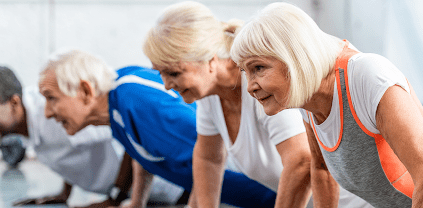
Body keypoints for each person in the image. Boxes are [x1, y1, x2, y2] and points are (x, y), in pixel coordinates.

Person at [230, 2, 423, 207]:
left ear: (292, 58)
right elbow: (321, 170)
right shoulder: (307, 98)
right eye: (245, 72)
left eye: (258, 68)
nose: (250, 86)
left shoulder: (367, 76)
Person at [142, 2, 373, 208]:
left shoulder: (261, 86)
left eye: (173, 72)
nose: (166, 85)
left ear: (208, 59)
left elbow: (301, 161)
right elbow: (208, 157)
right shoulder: (209, 94)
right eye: (160, 73)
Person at [38, 49, 278, 208]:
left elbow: (208, 154)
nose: (48, 113)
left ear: (85, 91)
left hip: (274, 196)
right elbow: (143, 152)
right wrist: (135, 203)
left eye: (51, 98)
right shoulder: (118, 103)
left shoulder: (137, 100)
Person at [0, 66, 186, 207]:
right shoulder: (26, 121)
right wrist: (65, 193)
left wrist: (116, 197)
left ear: (14, 103)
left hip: (168, 189)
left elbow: (131, 132)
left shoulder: (53, 114)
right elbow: (66, 148)